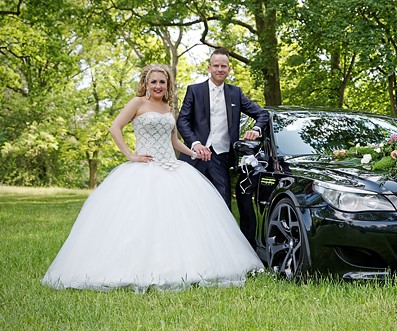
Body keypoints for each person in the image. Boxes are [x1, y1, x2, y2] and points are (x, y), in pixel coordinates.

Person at [41, 64, 263, 292]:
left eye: (162, 82)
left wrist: (194, 152)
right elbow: (115, 127)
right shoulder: (137, 103)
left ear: (168, 85)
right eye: (154, 82)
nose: (158, 86)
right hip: (144, 169)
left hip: (172, 167)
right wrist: (130, 154)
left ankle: (180, 266)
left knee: (180, 222)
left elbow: (174, 142)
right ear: (146, 84)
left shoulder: (168, 107)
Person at [177, 48, 269, 248]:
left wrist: (256, 130)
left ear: (229, 69)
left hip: (220, 158)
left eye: (223, 66)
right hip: (193, 157)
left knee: (222, 205)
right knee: (188, 204)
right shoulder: (194, 90)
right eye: (216, 65)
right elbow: (182, 121)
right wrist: (195, 143)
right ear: (209, 68)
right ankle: (187, 246)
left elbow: (263, 114)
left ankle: (220, 250)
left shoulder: (235, 93)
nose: (219, 69)